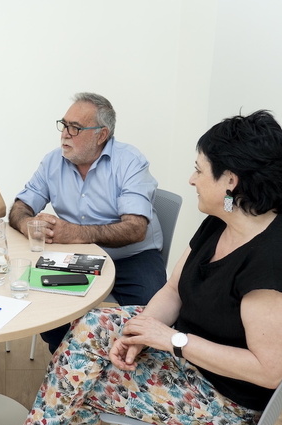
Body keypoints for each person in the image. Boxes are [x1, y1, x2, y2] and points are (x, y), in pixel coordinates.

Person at [0, 110, 282, 425]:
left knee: (83, 380)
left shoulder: (281, 262)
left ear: (230, 180)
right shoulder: (224, 221)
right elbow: (173, 290)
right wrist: (138, 334)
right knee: (90, 323)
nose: (191, 179)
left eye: (200, 170)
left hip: (223, 398)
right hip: (192, 352)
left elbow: (268, 370)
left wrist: (171, 340)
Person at [9, 92, 167, 353]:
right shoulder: (52, 161)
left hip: (131, 255)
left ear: (101, 135)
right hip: (75, 256)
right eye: (64, 124)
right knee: (49, 310)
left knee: (150, 315)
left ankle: (129, 372)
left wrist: (74, 233)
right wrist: (27, 223)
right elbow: (19, 207)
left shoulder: (130, 161)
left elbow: (136, 228)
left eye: (76, 128)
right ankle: (69, 369)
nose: (65, 134)